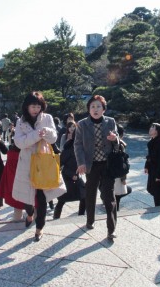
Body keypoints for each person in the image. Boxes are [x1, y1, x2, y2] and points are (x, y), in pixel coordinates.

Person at [12, 92, 66, 241]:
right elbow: (19, 142)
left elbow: (54, 137)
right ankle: (29, 214)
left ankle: (39, 228)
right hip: (27, 164)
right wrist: (37, 135)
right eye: (33, 106)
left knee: (42, 197)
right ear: (27, 107)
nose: (36, 109)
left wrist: (47, 132)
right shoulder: (21, 121)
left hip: (43, 162)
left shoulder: (47, 118)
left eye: (38, 106)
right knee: (27, 198)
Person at [75, 95, 119, 240]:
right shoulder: (82, 124)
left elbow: (118, 140)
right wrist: (81, 163)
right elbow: (78, 145)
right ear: (88, 109)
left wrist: (115, 139)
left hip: (107, 165)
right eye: (92, 106)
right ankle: (90, 220)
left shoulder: (110, 122)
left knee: (109, 196)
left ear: (103, 109)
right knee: (90, 193)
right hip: (91, 164)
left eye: (98, 106)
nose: (95, 109)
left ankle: (111, 230)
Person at [53, 121, 86, 219]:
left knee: (84, 196)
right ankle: (56, 218)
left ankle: (81, 215)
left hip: (77, 177)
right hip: (67, 178)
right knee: (62, 200)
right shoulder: (68, 149)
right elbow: (59, 164)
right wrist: (71, 174)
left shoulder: (83, 148)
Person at [0, 142, 25, 221]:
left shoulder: (11, 156)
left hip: (14, 185)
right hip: (27, 184)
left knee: (17, 205)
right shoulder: (25, 156)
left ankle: (17, 220)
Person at [144, 123, 160, 206]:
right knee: (154, 191)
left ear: (157, 131)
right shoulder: (152, 142)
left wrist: (158, 176)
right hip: (153, 170)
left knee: (159, 193)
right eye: (151, 126)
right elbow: (149, 156)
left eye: (153, 127)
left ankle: (159, 208)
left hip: (158, 171)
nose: (150, 128)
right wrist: (146, 166)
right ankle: (157, 207)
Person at [114, 124, 132, 211]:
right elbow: (122, 163)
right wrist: (123, 178)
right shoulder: (120, 145)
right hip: (118, 175)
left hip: (109, 173)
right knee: (117, 195)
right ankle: (115, 212)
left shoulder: (108, 142)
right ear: (121, 135)